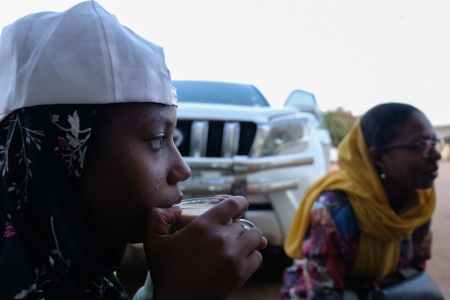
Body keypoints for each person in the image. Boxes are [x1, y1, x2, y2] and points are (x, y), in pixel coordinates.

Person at [0, 1, 267, 299]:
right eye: (156, 141)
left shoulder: (86, 275)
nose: (182, 170)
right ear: (66, 155)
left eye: (172, 139)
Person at [279, 102, 443, 299]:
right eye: (421, 144)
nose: (436, 154)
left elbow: (414, 272)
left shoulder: (418, 203)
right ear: (379, 157)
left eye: (434, 142)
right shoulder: (335, 209)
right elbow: (325, 292)